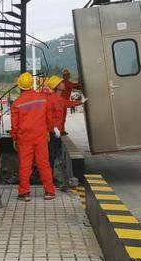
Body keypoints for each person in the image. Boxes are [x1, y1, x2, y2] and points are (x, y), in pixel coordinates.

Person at [11, 72, 56, 201]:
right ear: (31, 84)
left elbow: (15, 125)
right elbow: (49, 118)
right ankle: (49, 192)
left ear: (20, 86)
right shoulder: (42, 98)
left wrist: (14, 138)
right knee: (44, 164)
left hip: (24, 139)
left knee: (25, 165)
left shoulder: (17, 103)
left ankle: (24, 193)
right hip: (41, 137)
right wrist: (50, 130)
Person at [45, 75, 86, 171]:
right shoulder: (51, 99)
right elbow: (48, 116)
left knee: (55, 154)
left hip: (56, 132)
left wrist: (81, 102)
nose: (63, 84)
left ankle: (51, 175)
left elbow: (68, 103)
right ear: (57, 86)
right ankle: (49, 177)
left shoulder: (60, 99)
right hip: (51, 132)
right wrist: (53, 128)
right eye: (61, 83)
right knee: (51, 155)